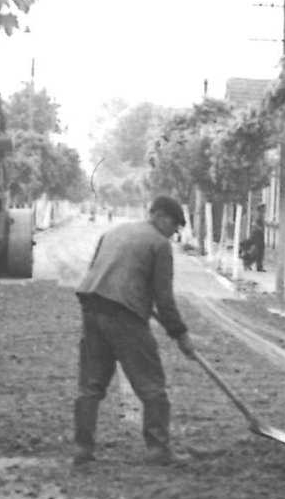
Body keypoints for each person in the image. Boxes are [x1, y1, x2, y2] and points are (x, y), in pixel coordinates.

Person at [73, 195, 198, 466]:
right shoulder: (159, 244)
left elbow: (98, 270)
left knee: (90, 385)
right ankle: (159, 449)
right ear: (161, 216)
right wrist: (181, 334)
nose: (175, 232)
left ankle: (82, 448)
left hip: (92, 308)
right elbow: (164, 299)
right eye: (175, 225)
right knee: (152, 385)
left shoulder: (115, 231)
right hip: (124, 315)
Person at [241, 207, 266, 271]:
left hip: (258, 235)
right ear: (260, 210)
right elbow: (256, 226)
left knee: (258, 252)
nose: (265, 210)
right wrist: (260, 230)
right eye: (263, 209)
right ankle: (250, 264)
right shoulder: (259, 216)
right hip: (257, 235)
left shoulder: (260, 216)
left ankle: (248, 263)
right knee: (259, 252)